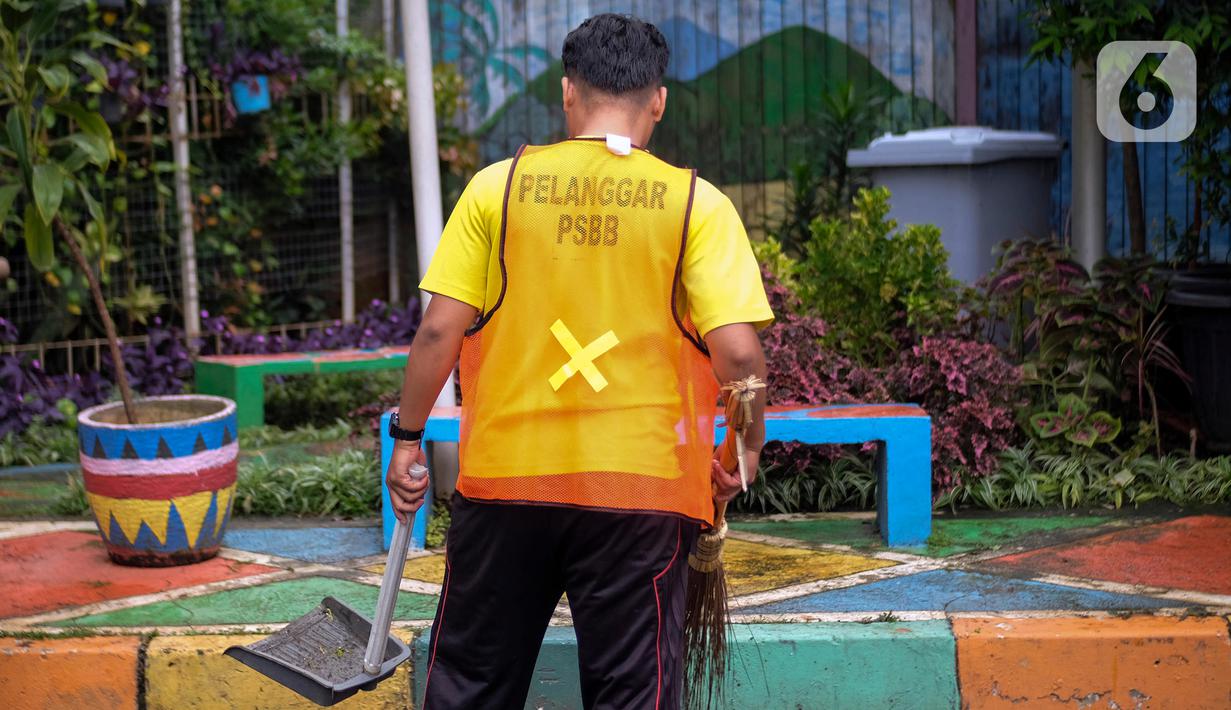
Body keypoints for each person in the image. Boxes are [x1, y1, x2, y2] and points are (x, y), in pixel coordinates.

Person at [385, 13, 771, 709]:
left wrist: (408, 440)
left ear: (567, 94)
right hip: (641, 492)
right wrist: (740, 457)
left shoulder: (495, 189)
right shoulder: (696, 205)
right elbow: (738, 353)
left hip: (505, 484)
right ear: (657, 100)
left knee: (469, 685)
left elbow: (438, 332)